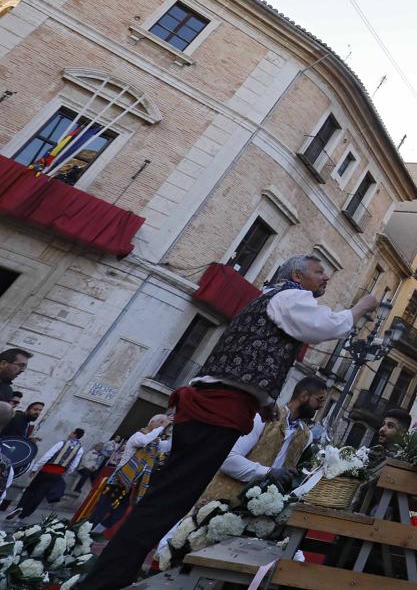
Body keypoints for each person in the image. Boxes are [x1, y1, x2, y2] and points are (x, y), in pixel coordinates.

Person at [79, 253, 376, 590]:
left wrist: (263, 400)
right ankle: (102, 583)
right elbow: (325, 326)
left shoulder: (269, 297)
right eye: (320, 271)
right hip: (218, 410)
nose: (325, 279)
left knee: (167, 499)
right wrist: (359, 308)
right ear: (297, 274)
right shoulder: (291, 296)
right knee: (167, 503)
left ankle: (107, 578)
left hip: (215, 405)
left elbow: (249, 357)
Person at [199, 375, 329, 503]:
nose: (321, 406)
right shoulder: (264, 417)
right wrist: (268, 472)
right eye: (319, 400)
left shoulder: (307, 436)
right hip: (219, 503)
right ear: (304, 396)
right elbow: (227, 459)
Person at [77, 417, 170, 529]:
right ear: (151, 423)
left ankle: (93, 533)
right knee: (101, 510)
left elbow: (169, 446)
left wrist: (177, 427)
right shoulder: (139, 435)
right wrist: (162, 427)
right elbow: (144, 441)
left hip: (133, 484)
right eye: (160, 422)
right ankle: (83, 532)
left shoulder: (155, 443)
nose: (162, 425)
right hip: (119, 478)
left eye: (164, 423)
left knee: (117, 515)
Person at [9, 429, 85, 520]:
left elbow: (47, 456)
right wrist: (64, 473)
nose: (70, 433)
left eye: (72, 432)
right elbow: (73, 465)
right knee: (40, 494)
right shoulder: (80, 449)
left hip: (46, 470)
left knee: (31, 490)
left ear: (74, 434)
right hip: (57, 474)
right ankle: (23, 516)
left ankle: (20, 506)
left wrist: (35, 468)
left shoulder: (62, 443)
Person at [0, 349, 31, 427]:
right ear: (3, 364)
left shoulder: (8, 390)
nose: (22, 370)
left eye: (24, 367)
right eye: (20, 365)